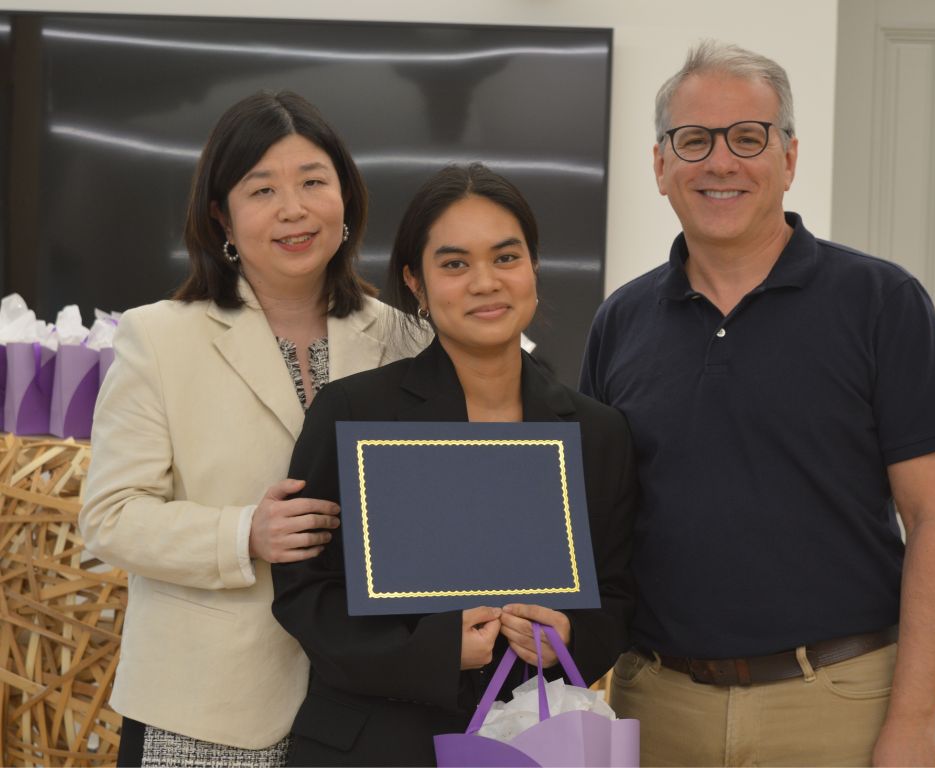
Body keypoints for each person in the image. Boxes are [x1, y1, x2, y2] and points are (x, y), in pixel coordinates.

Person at [580, 40, 935, 767]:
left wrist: (914, 722)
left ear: (789, 157)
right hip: (658, 705)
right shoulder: (620, 323)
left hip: (837, 703)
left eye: (749, 137)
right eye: (694, 140)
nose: (721, 162)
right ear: (661, 165)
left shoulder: (882, 304)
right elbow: (589, 521)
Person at [79, 91, 422, 767]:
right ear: (222, 215)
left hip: (366, 710)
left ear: (346, 200)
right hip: (208, 713)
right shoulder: (160, 337)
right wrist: (244, 534)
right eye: (262, 189)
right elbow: (110, 517)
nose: (293, 209)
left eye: (314, 183)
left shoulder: (403, 339)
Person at [271, 163, 636, 766]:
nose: (486, 282)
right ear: (416, 282)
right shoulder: (354, 412)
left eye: (506, 258)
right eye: (455, 264)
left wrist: (570, 637)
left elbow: (618, 593)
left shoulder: (598, 432)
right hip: (372, 744)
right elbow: (304, 595)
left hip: (531, 744)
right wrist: (434, 649)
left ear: (534, 268)